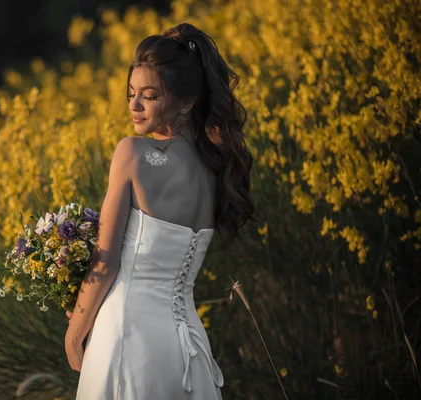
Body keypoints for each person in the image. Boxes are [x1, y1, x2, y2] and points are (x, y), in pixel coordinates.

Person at [65, 22, 257, 399]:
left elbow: (105, 263)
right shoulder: (218, 169)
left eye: (149, 96)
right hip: (186, 349)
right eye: (131, 93)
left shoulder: (132, 154)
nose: (134, 106)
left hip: (126, 335)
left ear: (185, 101)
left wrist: (75, 336)